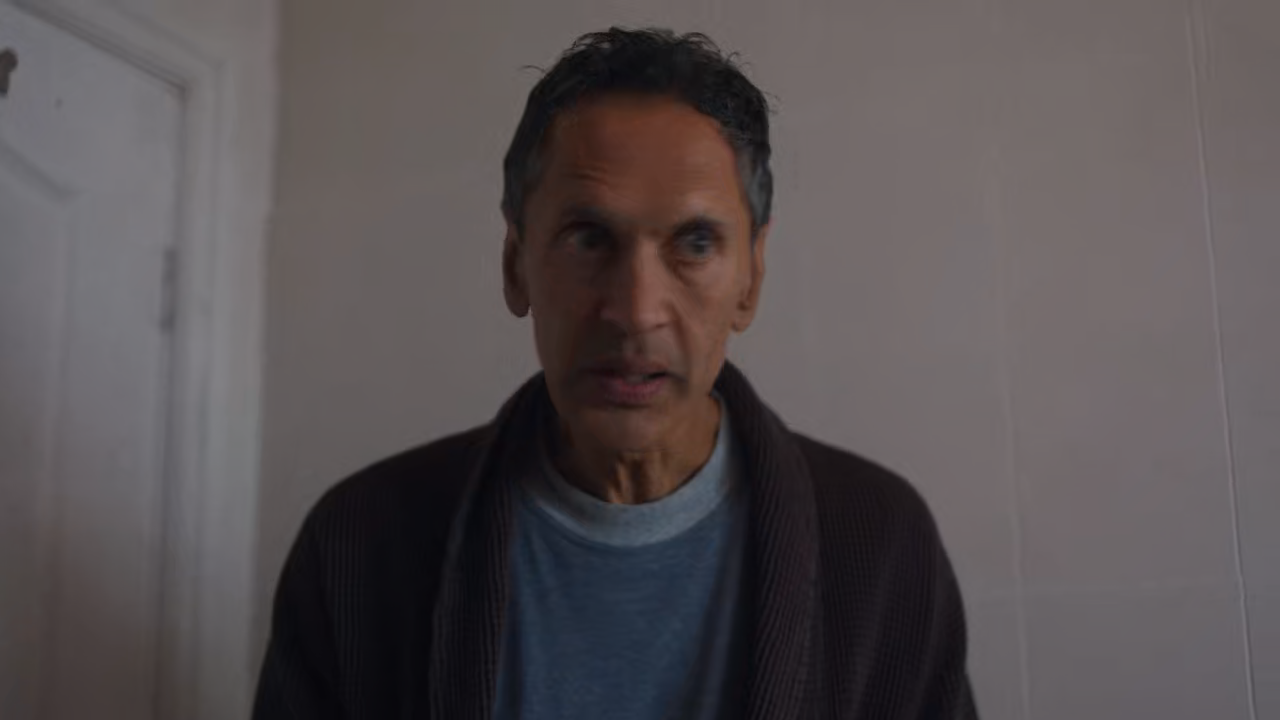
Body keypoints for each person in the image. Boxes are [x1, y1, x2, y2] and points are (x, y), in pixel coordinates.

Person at [253, 27, 976, 720]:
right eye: (588, 238)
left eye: (695, 243)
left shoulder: (881, 547)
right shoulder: (359, 548)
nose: (634, 312)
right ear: (515, 264)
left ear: (751, 279)